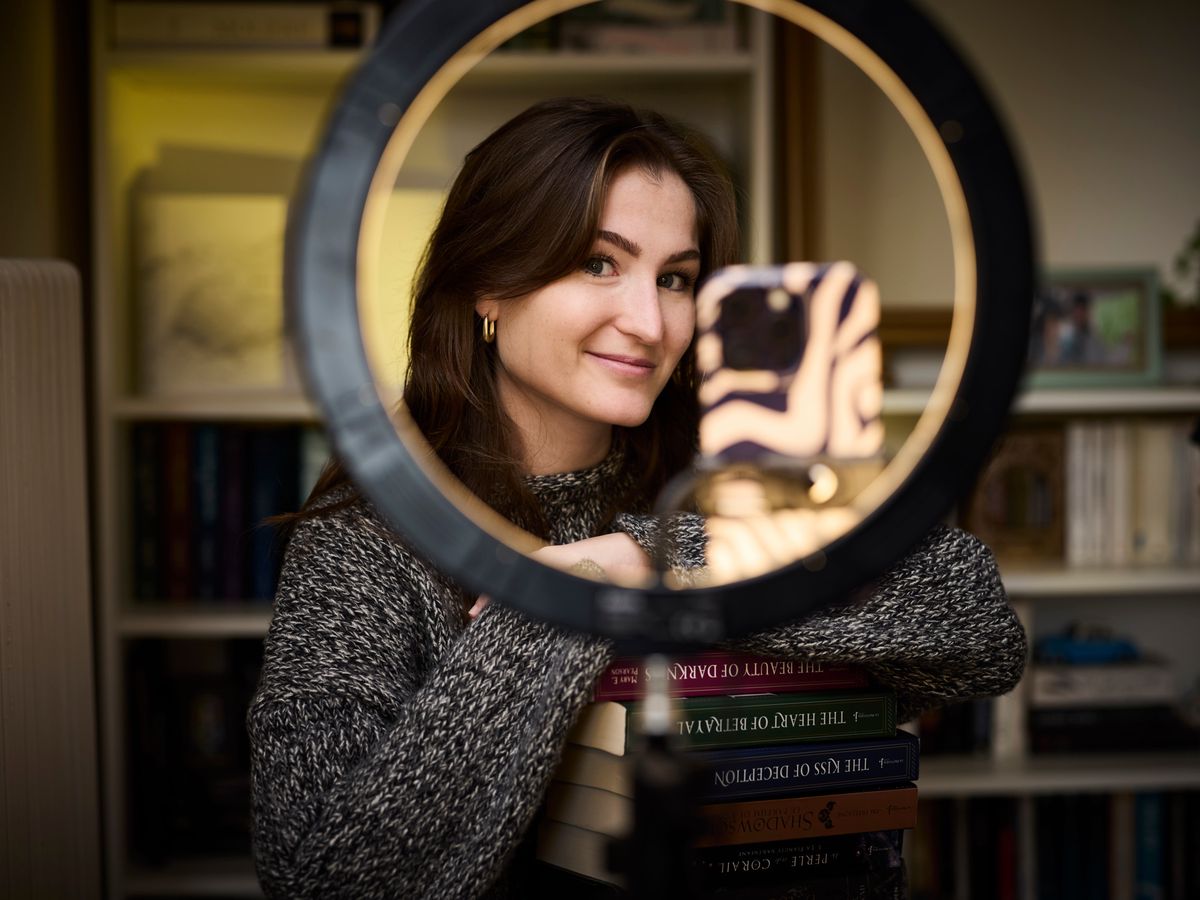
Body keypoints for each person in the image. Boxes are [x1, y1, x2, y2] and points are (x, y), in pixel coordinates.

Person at [248, 96, 1026, 899]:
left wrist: (655, 560)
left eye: (677, 278)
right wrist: (557, 603)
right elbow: (325, 880)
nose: (651, 322)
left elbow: (974, 620)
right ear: (488, 284)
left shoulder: (734, 468)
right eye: (598, 263)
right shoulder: (372, 540)